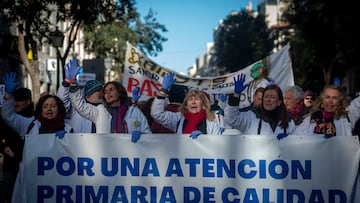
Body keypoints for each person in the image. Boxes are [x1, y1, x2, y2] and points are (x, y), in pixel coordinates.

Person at [151, 72, 223, 138]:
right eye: (190, 99)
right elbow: (157, 114)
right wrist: (163, 91)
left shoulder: (212, 123)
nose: (193, 102)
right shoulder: (178, 119)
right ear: (186, 105)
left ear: (203, 105)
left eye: (197, 99)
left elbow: (217, 148)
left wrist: (204, 140)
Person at [224, 73, 295, 138]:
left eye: (272, 97)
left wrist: (289, 140)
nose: (268, 100)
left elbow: (298, 143)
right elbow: (231, 119)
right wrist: (236, 94)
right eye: (266, 97)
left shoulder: (288, 120)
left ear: (279, 102)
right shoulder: (252, 116)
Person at [0, 87, 34, 203]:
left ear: (28, 101)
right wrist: (3, 147)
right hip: (10, 166)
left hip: (29, 167)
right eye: (14, 100)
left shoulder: (34, 119)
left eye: (19, 100)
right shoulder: (6, 118)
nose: (16, 103)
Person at [57, 58, 106, 133]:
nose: (101, 93)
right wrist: (67, 82)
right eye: (97, 91)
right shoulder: (75, 109)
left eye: (102, 90)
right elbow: (62, 102)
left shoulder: (106, 109)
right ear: (88, 95)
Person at [294, 85, 360, 138]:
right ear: (322, 100)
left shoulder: (346, 117)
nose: (330, 101)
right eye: (327, 97)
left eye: (334, 98)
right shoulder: (312, 118)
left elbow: (357, 103)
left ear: (340, 102)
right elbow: (297, 138)